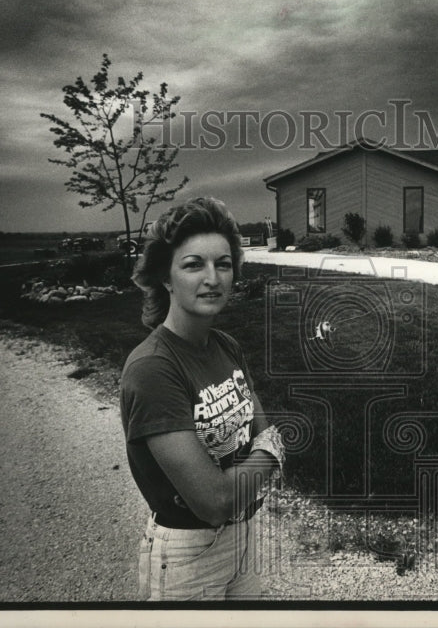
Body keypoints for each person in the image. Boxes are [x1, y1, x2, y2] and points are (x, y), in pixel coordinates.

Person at [120, 197, 284, 601]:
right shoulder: (153, 368)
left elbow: (257, 423)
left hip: (240, 540)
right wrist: (274, 451)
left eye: (223, 264)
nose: (213, 277)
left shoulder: (225, 345)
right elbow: (213, 501)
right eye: (194, 264)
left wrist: (257, 456)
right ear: (166, 277)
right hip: (186, 558)